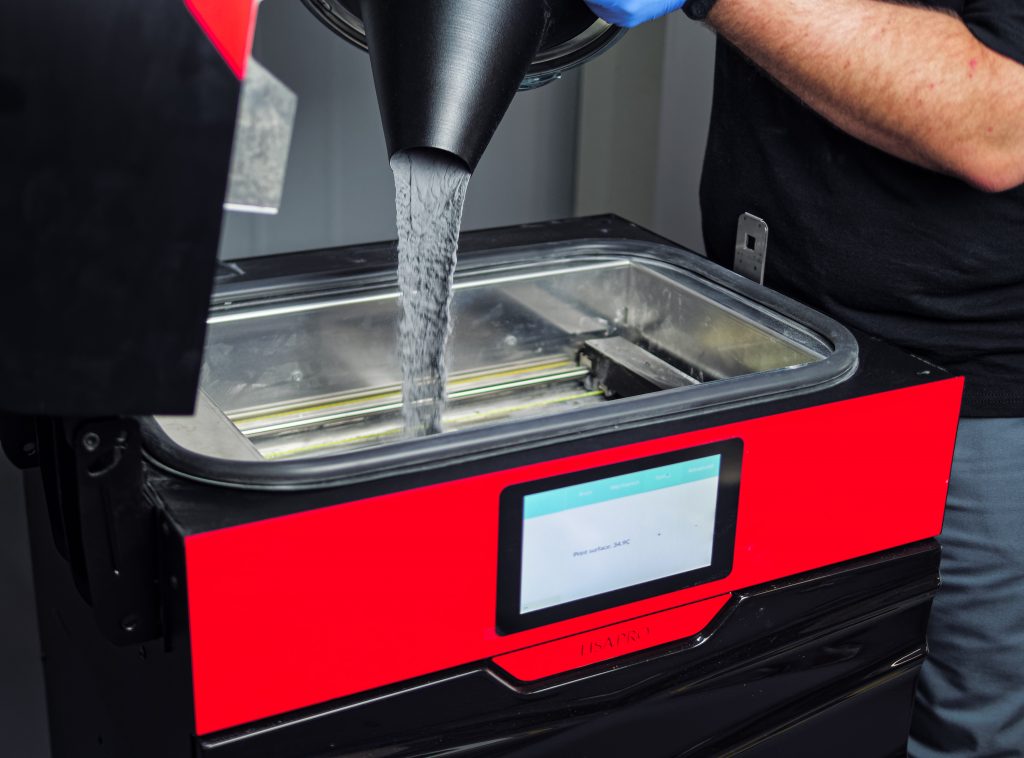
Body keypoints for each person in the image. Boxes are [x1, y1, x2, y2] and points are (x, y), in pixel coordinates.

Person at [584, 0, 1024, 755]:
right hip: (766, 341)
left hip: (971, 398)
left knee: (959, 732)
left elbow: (998, 123)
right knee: (781, 698)